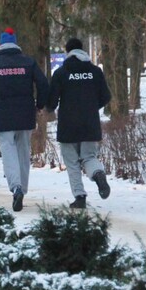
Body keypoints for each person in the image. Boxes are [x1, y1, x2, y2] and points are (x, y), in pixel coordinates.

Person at [0, 28, 49, 212]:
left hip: (3, 114)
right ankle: (22, 187)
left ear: (0, 45)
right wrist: (39, 104)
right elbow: (43, 83)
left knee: (8, 151)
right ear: (16, 44)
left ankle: (16, 188)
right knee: (23, 151)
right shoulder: (28, 63)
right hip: (25, 113)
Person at [46, 38, 112, 209]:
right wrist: (91, 108)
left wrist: (48, 107)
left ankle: (80, 196)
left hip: (68, 124)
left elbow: (52, 101)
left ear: (68, 52)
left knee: (72, 162)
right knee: (89, 157)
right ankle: (98, 174)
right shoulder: (95, 71)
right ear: (82, 50)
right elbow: (106, 96)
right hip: (90, 122)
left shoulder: (61, 73)